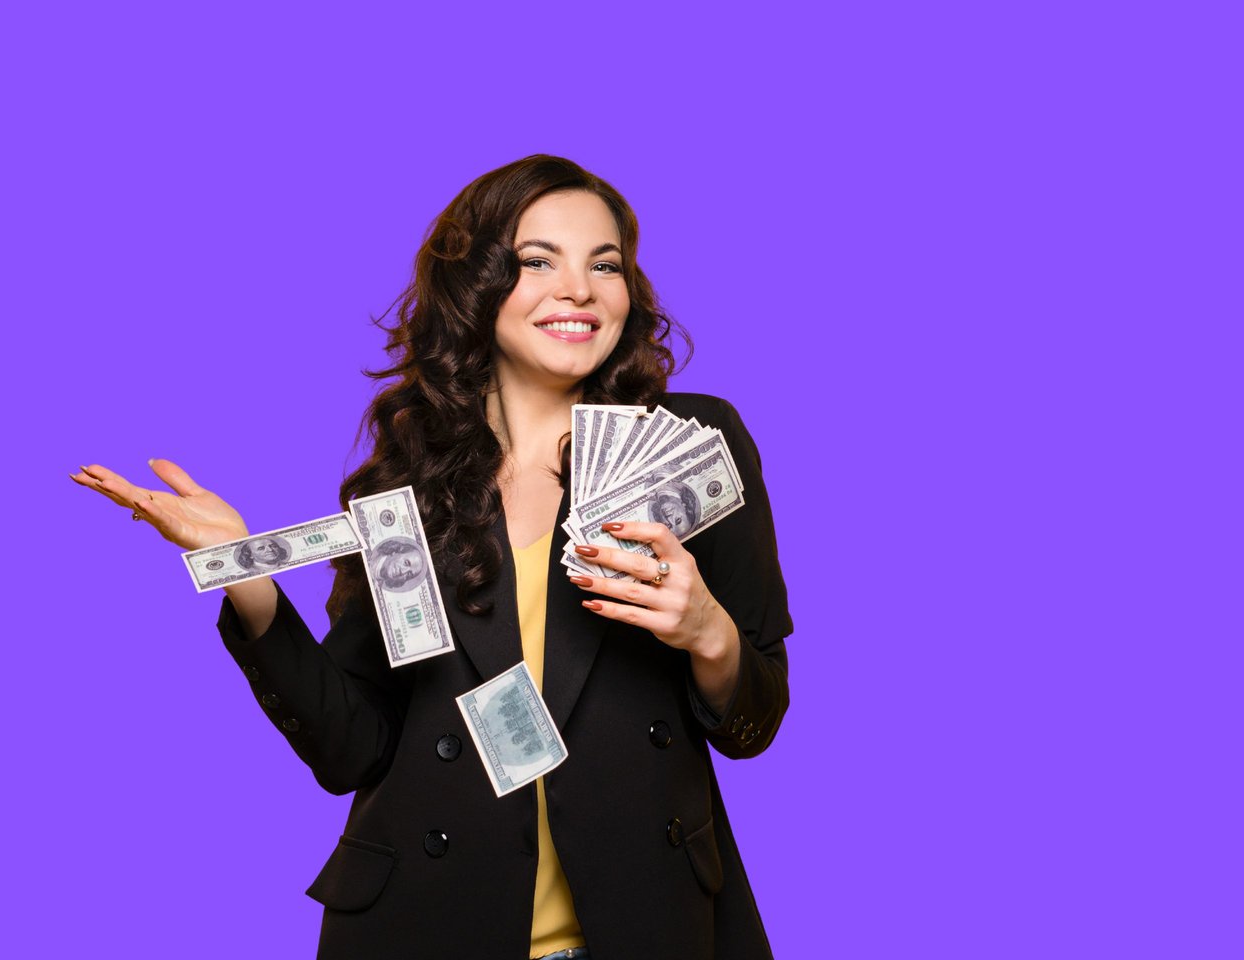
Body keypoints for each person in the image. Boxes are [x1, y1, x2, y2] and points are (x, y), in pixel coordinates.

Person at [71, 155, 792, 959]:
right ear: (478, 284)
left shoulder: (691, 447)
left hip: (647, 922)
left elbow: (753, 720)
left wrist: (708, 632)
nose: (580, 290)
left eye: (605, 264)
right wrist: (249, 579)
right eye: (536, 261)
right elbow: (353, 746)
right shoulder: (412, 482)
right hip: (430, 923)